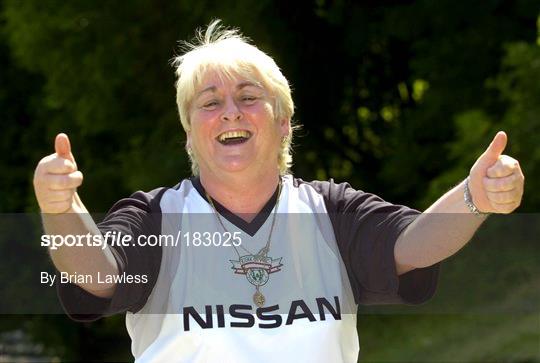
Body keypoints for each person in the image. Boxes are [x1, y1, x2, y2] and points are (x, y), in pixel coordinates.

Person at [33, 20, 525, 362]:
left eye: (249, 98)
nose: (230, 112)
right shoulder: (155, 218)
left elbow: (414, 244)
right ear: (188, 132)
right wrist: (61, 208)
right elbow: (96, 274)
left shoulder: (331, 212)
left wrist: (474, 198)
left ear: (284, 122)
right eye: (209, 103)